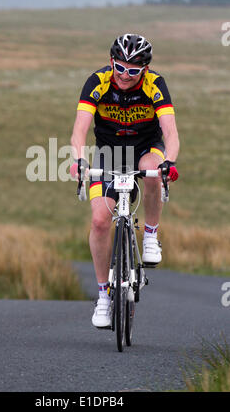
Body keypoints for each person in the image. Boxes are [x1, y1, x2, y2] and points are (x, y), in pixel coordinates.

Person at [70, 34, 180, 328]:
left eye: (133, 71)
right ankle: (104, 296)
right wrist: (79, 160)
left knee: (153, 171)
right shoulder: (98, 81)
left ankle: (152, 234)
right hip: (110, 153)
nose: (125, 75)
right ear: (111, 62)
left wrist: (170, 161)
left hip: (146, 148)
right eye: (120, 67)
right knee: (99, 222)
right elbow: (79, 129)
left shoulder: (156, 84)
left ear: (144, 70)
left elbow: (170, 131)